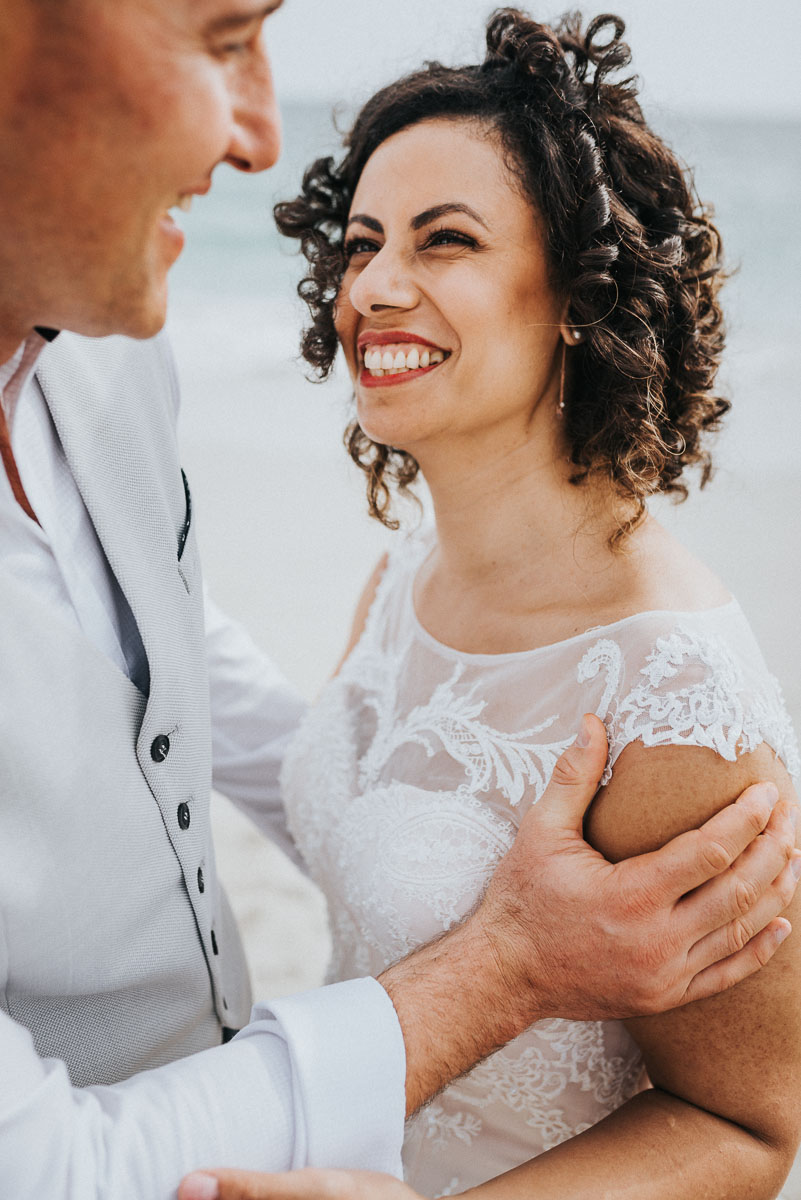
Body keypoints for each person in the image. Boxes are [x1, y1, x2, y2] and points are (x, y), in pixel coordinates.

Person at [0, 3, 797, 1200]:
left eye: (445, 241)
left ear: (578, 289)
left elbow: (749, 1129)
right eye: (363, 242)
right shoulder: (411, 583)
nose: (373, 285)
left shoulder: (673, 699)